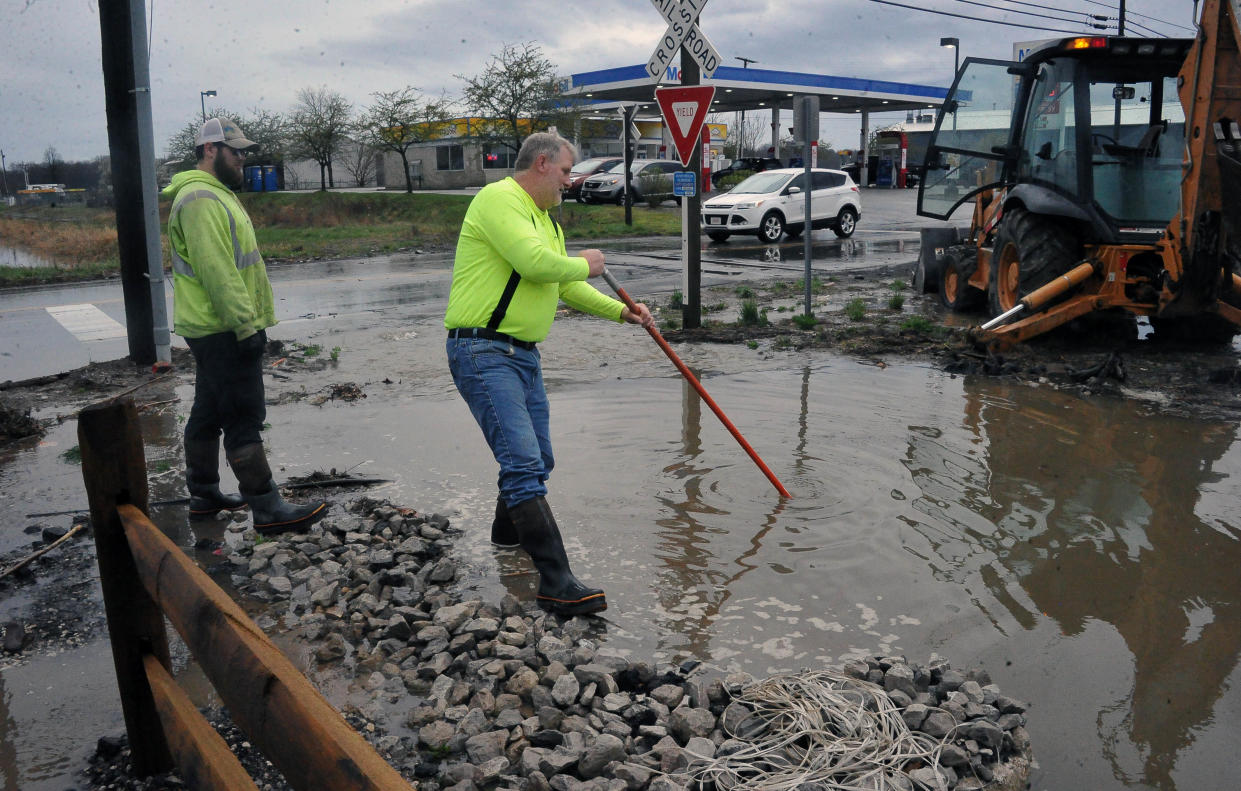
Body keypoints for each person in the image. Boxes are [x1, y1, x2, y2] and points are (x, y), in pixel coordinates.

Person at [445, 132, 654, 616]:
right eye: (565, 171)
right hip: (482, 349)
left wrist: (620, 312)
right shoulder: (499, 200)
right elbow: (535, 265)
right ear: (541, 164)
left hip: (522, 355)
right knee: (523, 465)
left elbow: (562, 284)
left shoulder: (545, 220)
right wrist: (586, 262)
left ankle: (505, 538)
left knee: (538, 459)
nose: (570, 180)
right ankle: (557, 583)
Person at [162, 117, 328, 534]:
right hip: (222, 328)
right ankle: (267, 506)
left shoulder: (214, 195)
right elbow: (219, 272)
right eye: (235, 152)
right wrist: (246, 327)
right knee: (243, 415)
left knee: (208, 410)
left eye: (244, 153)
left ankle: (203, 494)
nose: (242, 160)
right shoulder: (201, 199)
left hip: (211, 327)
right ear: (209, 150)